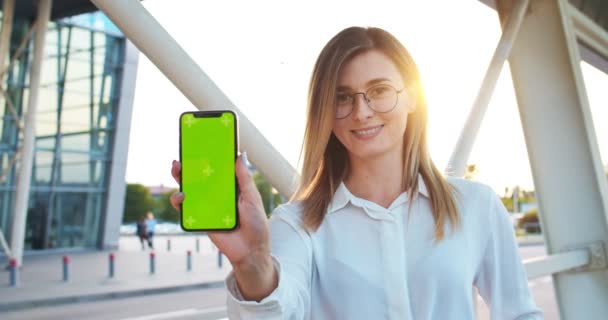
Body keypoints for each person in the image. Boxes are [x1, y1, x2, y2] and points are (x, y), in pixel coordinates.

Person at [170, 26, 543, 319]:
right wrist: (252, 265)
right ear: (325, 111)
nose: (362, 112)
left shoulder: (476, 206)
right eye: (342, 97)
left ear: (413, 96)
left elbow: (520, 314)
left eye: (379, 90)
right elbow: (279, 311)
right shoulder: (296, 225)